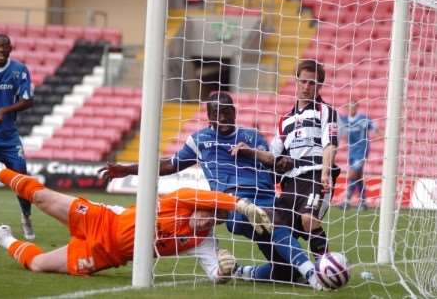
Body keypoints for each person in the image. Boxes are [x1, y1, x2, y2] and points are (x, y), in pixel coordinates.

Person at [100, 91, 323, 290]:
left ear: (234, 112)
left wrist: (262, 157)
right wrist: (128, 169)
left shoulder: (251, 136)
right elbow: (169, 165)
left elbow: (272, 165)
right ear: (209, 115)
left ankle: (242, 271)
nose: (223, 117)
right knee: (270, 221)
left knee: (284, 272)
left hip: (265, 197)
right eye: (217, 113)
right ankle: (312, 273)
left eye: (227, 112)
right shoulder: (200, 140)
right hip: (234, 203)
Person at [0, 161, 271, 281]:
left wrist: (224, 271)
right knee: (42, 198)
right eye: (208, 212)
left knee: (38, 265)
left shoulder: (203, 241)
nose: (208, 221)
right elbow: (211, 197)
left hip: (105, 254)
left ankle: (3, 237)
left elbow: (214, 273)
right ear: (203, 205)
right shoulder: (181, 200)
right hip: (102, 219)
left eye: (215, 220)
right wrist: (242, 206)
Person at [233, 60, 340, 263]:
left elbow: (330, 145)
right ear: (296, 82)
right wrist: (249, 152)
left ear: (319, 86)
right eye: (303, 82)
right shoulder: (285, 121)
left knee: (309, 219)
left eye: (313, 83)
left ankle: (327, 267)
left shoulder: (326, 111)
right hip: (290, 184)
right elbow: (273, 157)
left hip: (315, 176)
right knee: (274, 225)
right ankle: (284, 270)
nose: (307, 87)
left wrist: (326, 172)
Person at [0, 34, 35, 240]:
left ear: (10, 49)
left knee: (22, 179)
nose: (0, 50)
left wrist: (4, 110)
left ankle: (26, 216)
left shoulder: (19, 70)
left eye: (4, 47)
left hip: (8, 136)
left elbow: (28, 100)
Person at [339, 100, 379, 210]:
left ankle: (347, 200)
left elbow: (375, 128)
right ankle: (363, 201)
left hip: (362, 151)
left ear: (357, 107)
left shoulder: (363, 119)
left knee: (352, 174)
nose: (351, 108)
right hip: (351, 152)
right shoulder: (344, 120)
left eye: (353, 106)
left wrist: (384, 136)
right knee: (358, 177)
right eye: (349, 106)